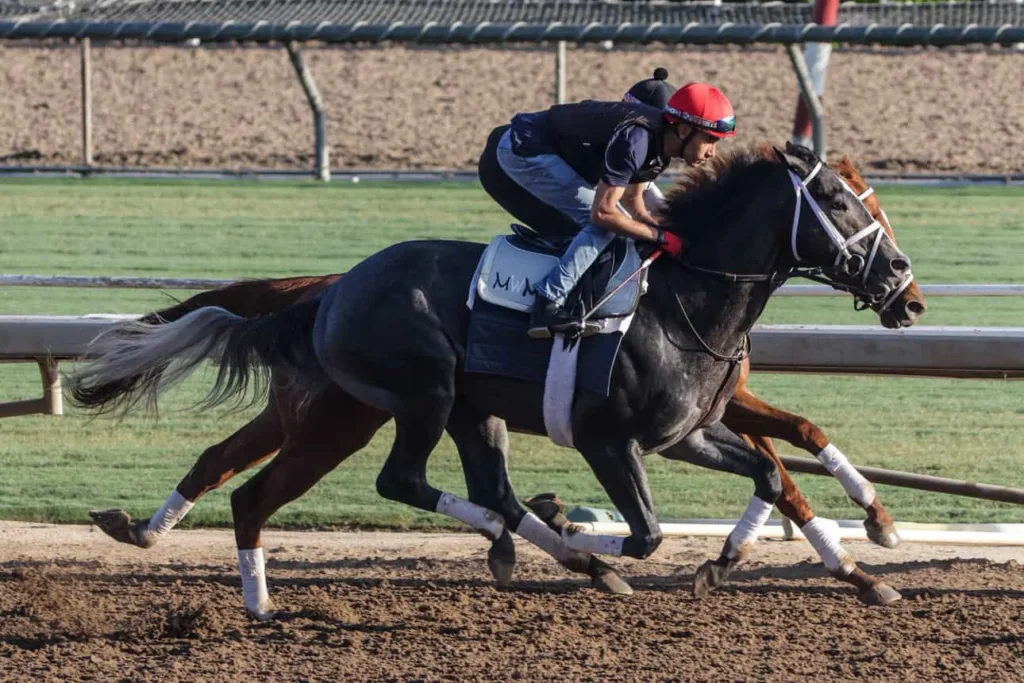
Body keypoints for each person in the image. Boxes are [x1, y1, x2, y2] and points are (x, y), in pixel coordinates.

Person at [477, 74, 736, 338]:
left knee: (620, 224)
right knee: (604, 227)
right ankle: (547, 304)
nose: (712, 152)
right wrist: (658, 236)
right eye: (710, 139)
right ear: (683, 130)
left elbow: (634, 203)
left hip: (543, 147)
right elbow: (603, 213)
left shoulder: (661, 149)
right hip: (524, 149)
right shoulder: (638, 140)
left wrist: (661, 231)